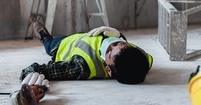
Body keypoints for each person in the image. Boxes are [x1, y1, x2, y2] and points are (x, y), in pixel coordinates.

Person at [20, 22, 153, 85]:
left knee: (49, 45)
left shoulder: (82, 67)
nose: (111, 43)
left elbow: (42, 69)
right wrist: (119, 35)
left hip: (65, 44)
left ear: (108, 70)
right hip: (88, 34)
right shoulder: (141, 58)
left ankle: (42, 33)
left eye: (109, 52)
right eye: (119, 43)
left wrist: (30, 73)